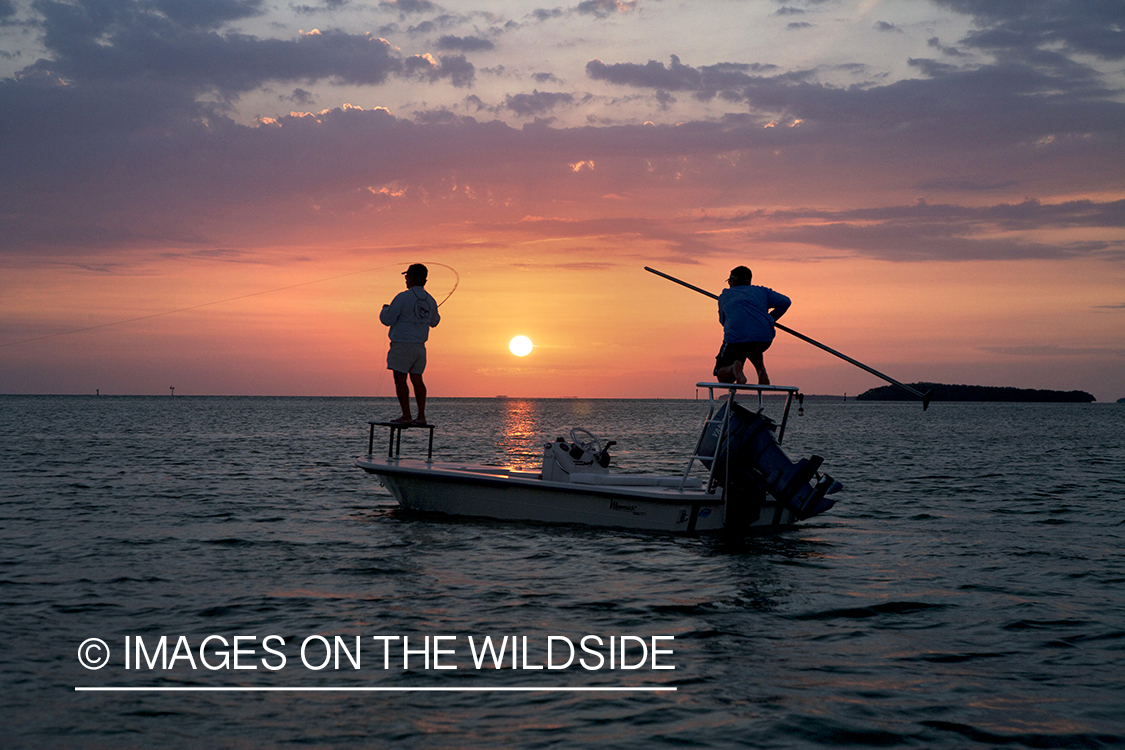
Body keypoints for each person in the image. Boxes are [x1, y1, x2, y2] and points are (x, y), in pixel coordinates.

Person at [379, 263, 441, 425]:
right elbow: (435, 322)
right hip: (420, 348)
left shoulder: (402, 297)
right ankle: (421, 416)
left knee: (400, 379)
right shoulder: (431, 300)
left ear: (411, 278)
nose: (406, 280)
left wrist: (385, 309)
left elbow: (387, 319)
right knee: (417, 379)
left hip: (402, 344)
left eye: (407, 277)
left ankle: (406, 415)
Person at [713, 266, 790, 385]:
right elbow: (785, 302)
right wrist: (770, 319)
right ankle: (761, 371)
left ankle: (733, 369)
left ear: (733, 281)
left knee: (722, 377)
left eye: (729, 281)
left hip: (737, 341)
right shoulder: (763, 291)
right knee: (752, 343)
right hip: (763, 340)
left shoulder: (725, 295)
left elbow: (724, 322)